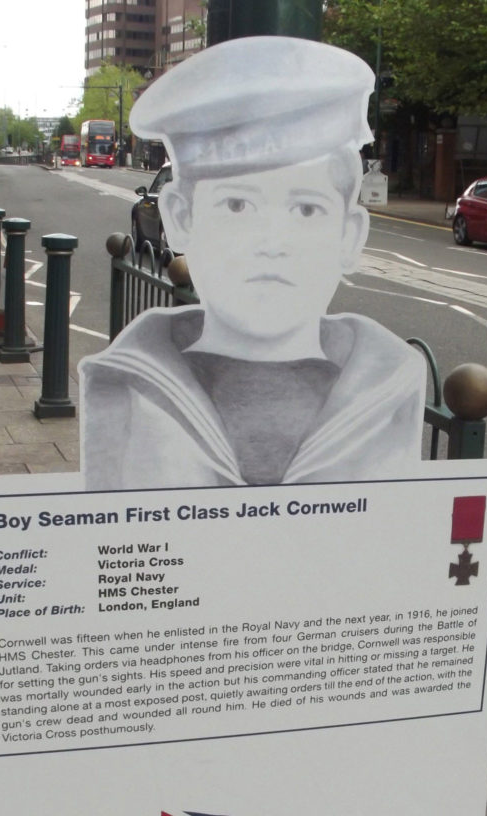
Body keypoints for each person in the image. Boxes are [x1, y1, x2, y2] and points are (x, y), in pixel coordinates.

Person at [79, 36, 426, 491]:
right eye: (237, 205)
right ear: (180, 217)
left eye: (306, 209)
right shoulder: (121, 389)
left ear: (350, 236)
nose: (272, 243)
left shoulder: (392, 386)